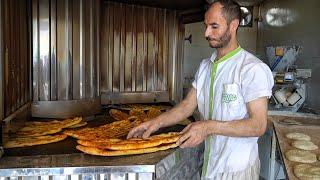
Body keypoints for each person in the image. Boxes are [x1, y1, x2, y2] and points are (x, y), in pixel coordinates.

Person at [127, 0, 274, 179]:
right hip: (209, 166)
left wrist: (207, 127)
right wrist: (154, 123)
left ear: (233, 25)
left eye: (214, 26)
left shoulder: (252, 69)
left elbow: (258, 125)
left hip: (237, 170)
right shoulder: (206, 66)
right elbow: (187, 105)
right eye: (206, 26)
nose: (206, 33)